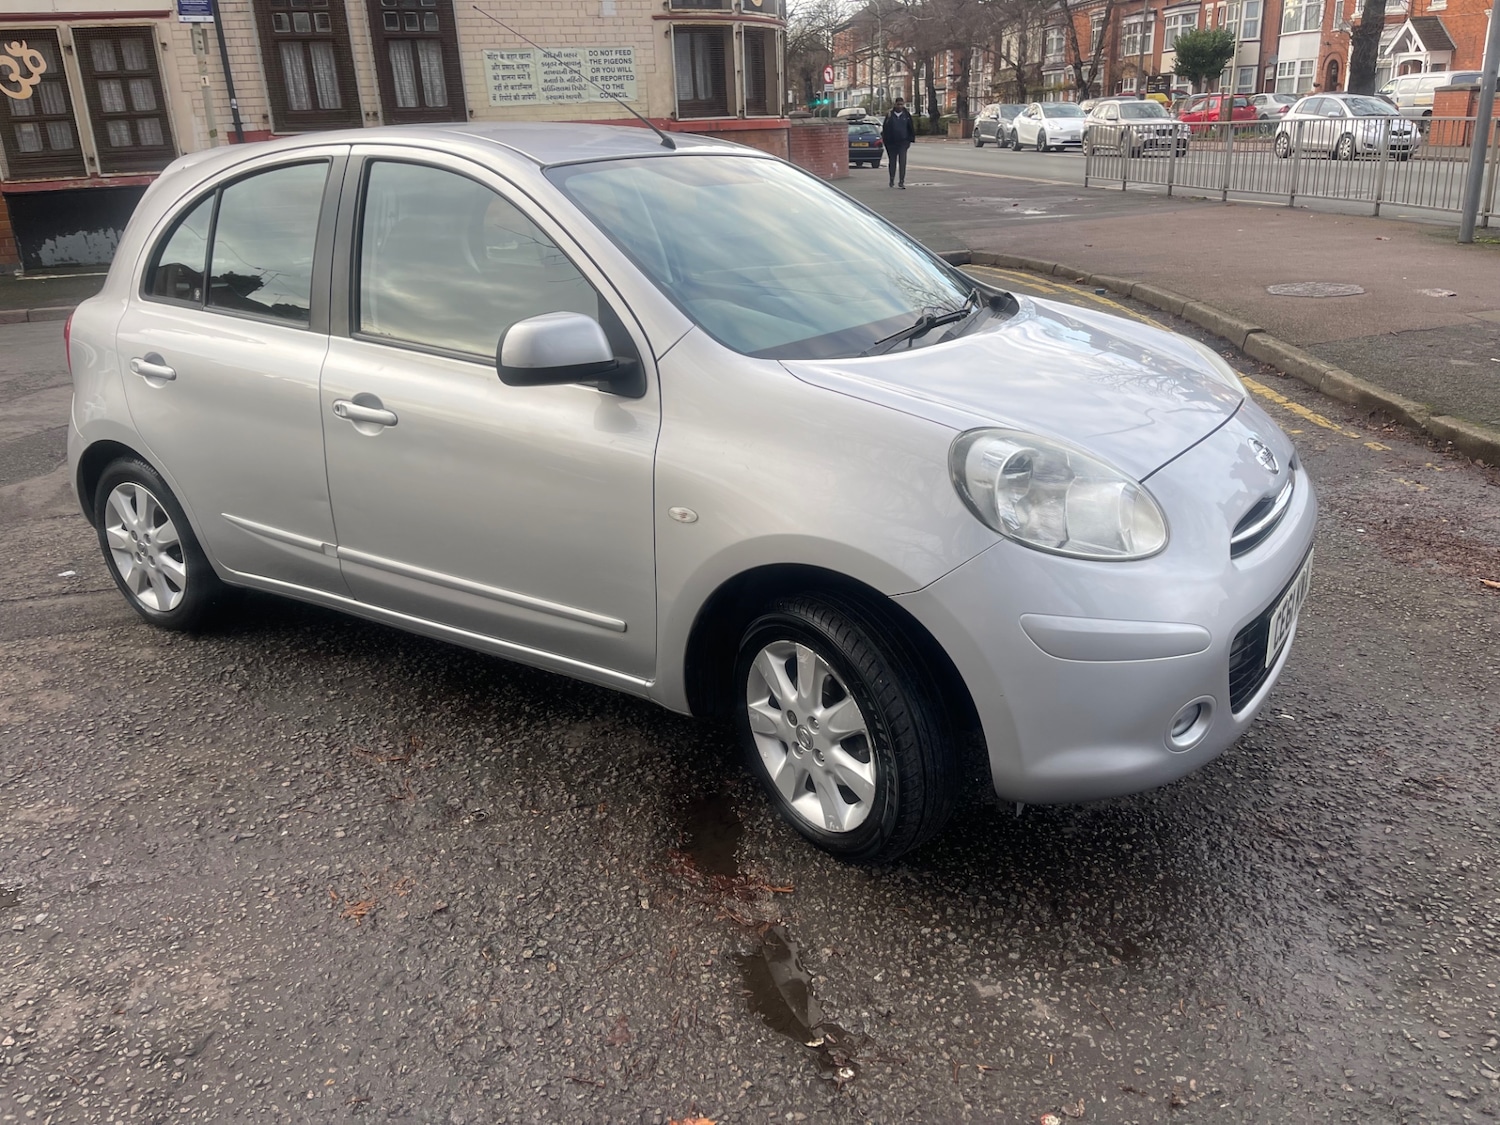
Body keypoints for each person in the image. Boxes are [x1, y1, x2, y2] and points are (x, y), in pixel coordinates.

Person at [881, 98, 916, 189]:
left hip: (903, 142)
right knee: (892, 162)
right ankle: (891, 180)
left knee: (902, 162)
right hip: (891, 143)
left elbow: (910, 127)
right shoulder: (890, 115)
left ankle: (901, 181)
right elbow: (885, 128)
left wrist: (910, 140)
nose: (900, 106)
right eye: (898, 104)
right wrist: (885, 141)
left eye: (901, 104)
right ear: (895, 104)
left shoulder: (906, 115)